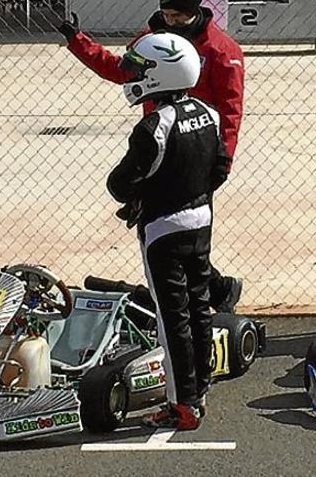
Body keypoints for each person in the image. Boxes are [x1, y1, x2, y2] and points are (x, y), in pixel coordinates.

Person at [58, 0, 244, 314]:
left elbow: (231, 109)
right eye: (166, 13)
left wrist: (223, 159)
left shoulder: (221, 49)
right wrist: (77, 40)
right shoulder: (150, 40)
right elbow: (119, 70)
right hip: (158, 151)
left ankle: (200, 305)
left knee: (189, 238)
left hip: (196, 155)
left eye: (177, 15)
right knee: (162, 236)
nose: (170, 20)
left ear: (194, 10)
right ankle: (211, 292)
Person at [106, 31, 230, 430]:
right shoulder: (208, 114)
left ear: (161, 74)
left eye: (141, 69)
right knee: (199, 307)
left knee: (171, 317)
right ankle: (200, 392)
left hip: (163, 231)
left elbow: (119, 184)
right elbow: (220, 167)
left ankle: (182, 405)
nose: (133, 76)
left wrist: (143, 197)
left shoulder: (154, 126)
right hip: (202, 222)